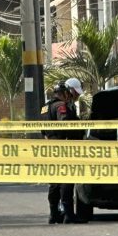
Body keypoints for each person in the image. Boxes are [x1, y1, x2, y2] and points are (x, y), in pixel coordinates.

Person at [42, 78, 84, 224]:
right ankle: (68, 214)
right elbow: (65, 124)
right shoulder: (61, 106)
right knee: (66, 181)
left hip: (50, 147)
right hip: (64, 147)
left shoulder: (45, 107)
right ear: (65, 93)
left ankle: (54, 214)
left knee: (54, 182)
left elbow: (43, 129)